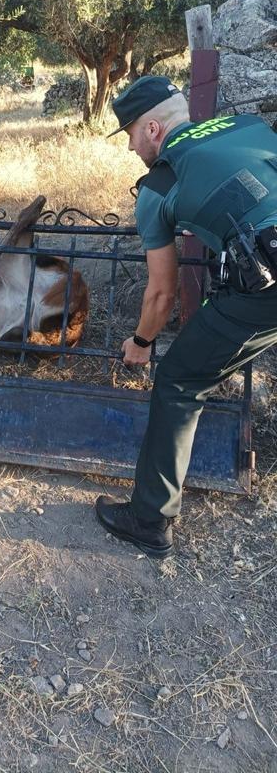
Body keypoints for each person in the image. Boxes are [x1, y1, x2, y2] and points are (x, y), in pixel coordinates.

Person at [95, 75, 277, 557]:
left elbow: (161, 294)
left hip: (267, 289)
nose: (132, 149)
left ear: (153, 129)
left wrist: (141, 341)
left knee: (179, 381)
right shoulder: (247, 126)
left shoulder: (158, 186)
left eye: (131, 135)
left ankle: (149, 519)